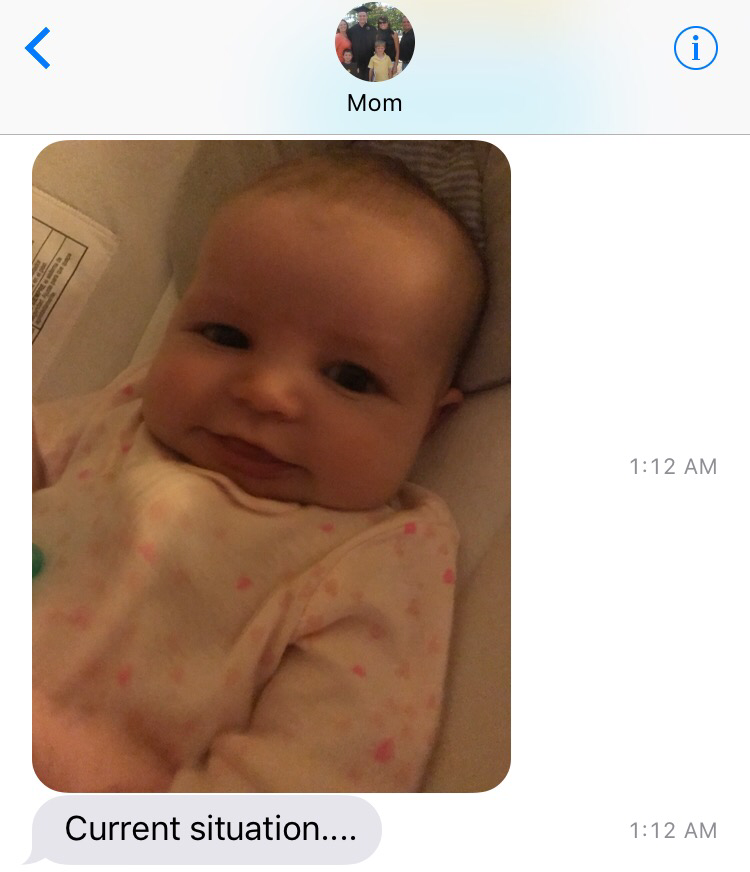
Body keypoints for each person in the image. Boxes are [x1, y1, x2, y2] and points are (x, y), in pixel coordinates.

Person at [32, 151, 487, 793]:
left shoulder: (381, 555)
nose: (267, 391)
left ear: (429, 425)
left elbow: (310, 786)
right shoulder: (133, 409)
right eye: (225, 336)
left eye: (350, 377)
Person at [347, 6, 376, 81]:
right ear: (357, 17)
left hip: (369, 60)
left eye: (364, 16)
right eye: (360, 16)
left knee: (368, 80)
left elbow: (375, 45)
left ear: (367, 16)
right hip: (356, 61)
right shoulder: (352, 30)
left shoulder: (373, 29)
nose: (362, 17)